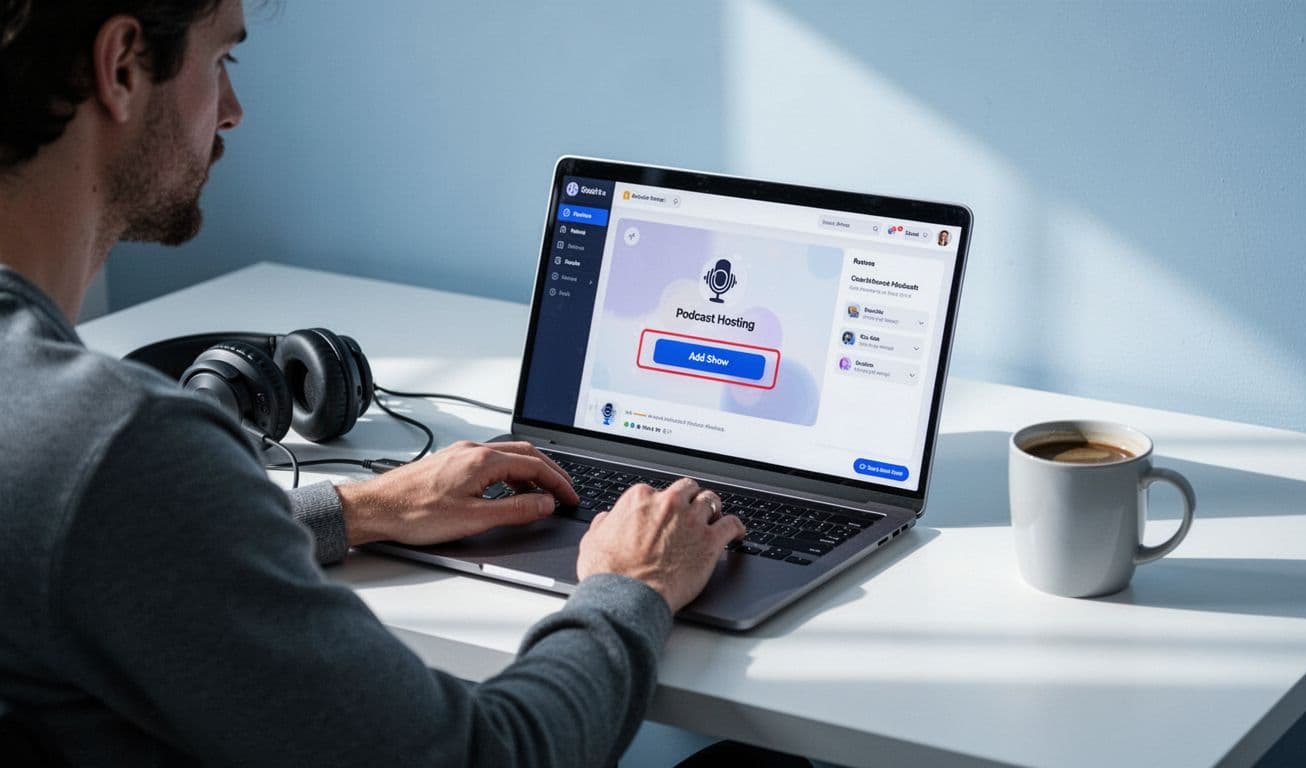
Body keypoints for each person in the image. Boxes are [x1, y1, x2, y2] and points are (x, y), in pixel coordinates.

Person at [0, 1, 746, 765]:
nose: (232, 111)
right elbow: (490, 755)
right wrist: (634, 587)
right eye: (222, 60)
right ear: (122, 66)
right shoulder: (117, 447)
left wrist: (359, 509)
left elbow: (115, 549)